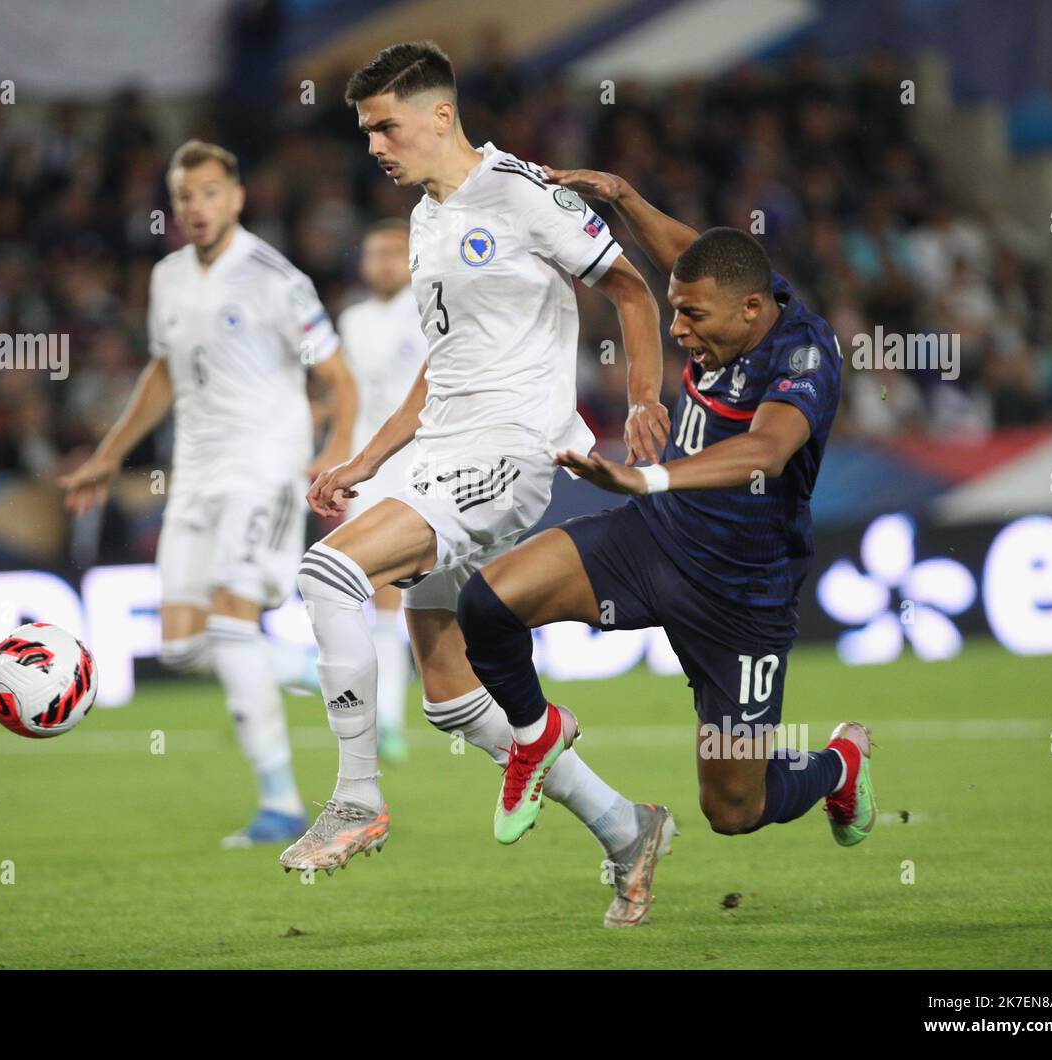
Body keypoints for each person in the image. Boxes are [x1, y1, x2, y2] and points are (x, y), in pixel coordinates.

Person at [285, 41, 678, 928]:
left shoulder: (522, 193)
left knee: (328, 574)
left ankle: (354, 798)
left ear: (438, 116)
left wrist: (643, 399)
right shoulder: (428, 216)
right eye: (365, 132)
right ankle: (628, 829)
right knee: (454, 698)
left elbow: (631, 289)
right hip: (439, 450)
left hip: (508, 451)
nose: (375, 147)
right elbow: (444, 361)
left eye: (385, 127)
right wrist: (369, 460)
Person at [456, 168, 875, 855]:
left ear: (749, 311)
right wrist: (623, 198)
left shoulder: (804, 355)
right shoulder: (738, 290)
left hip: (741, 595)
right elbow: (692, 259)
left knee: (734, 809)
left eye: (692, 317)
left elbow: (767, 450)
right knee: (487, 605)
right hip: (651, 542)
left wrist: (650, 477)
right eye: (676, 310)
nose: (677, 329)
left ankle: (838, 766)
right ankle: (537, 738)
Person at [59, 140, 358, 849]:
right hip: (193, 475)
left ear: (237, 197)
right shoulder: (166, 278)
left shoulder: (273, 277)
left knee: (230, 626)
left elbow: (339, 377)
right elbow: (163, 374)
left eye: (209, 192)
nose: (196, 206)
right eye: (185, 196)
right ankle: (322, 671)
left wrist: (336, 451)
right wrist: (108, 456)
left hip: (265, 466)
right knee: (183, 647)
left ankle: (281, 804)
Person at [336, 218, 429, 764]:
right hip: (372, 472)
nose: (386, 262)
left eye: (396, 251)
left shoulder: (430, 309)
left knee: (432, 597)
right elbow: (347, 398)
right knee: (382, 597)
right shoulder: (351, 321)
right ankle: (388, 720)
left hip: (428, 465)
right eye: (376, 252)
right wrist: (338, 460)